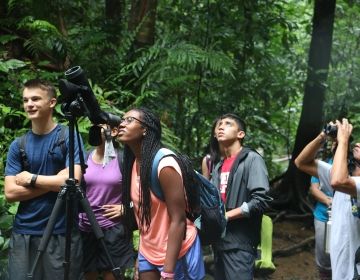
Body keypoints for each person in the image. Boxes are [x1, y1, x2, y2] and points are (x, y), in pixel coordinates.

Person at [4, 79, 83, 279]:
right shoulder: (18, 145)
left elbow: (74, 181)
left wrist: (31, 178)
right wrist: (56, 182)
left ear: (52, 102)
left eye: (36, 99)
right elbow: (11, 193)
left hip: (60, 232)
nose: (29, 104)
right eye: (25, 100)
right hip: (24, 233)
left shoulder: (69, 136)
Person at [118, 107, 205, 280]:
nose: (121, 124)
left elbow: (178, 220)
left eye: (129, 120)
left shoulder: (164, 164)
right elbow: (144, 217)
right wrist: (140, 256)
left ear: (145, 129)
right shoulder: (133, 163)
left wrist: (168, 271)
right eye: (122, 119)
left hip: (178, 251)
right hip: (148, 251)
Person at [295, 118, 360, 280]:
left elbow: (337, 181)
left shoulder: (346, 181)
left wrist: (343, 141)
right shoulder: (344, 176)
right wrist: (323, 136)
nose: (358, 143)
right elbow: (301, 162)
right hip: (341, 265)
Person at [210, 113, 271, 280]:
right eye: (220, 124)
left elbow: (260, 200)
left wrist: (226, 216)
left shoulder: (252, 159)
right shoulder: (217, 167)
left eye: (228, 124)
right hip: (219, 243)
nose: (221, 126)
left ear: (240, 134)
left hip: (240, 243)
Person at [79, 123, 135, 280]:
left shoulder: (125, 159)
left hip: (114, 230)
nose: (95, 130)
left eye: (100, 126)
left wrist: (128, 208)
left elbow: (142, 193)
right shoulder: (84, 158)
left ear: (114, 131)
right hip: (85, 228)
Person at [308, 142, 334, 279]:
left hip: (348, 218)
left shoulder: (353, 165)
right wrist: (330, 202)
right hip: (323, 216)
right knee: (324, 256)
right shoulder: (323, 164)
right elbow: (314, 188)